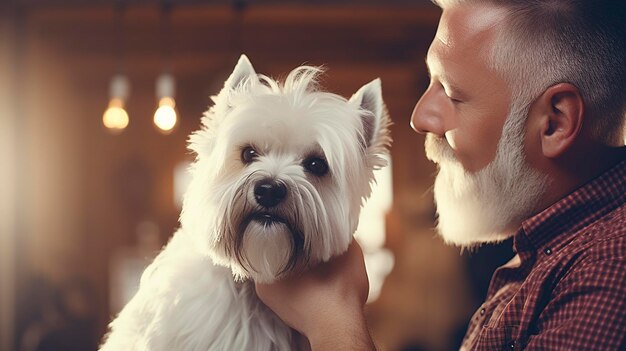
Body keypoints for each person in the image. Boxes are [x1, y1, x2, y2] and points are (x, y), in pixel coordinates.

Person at [256, 0, 626, 349]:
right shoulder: (545, 256)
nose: (420, 117)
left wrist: (334, 321)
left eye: (451, 93)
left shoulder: (608, 268)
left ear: (554, 123)